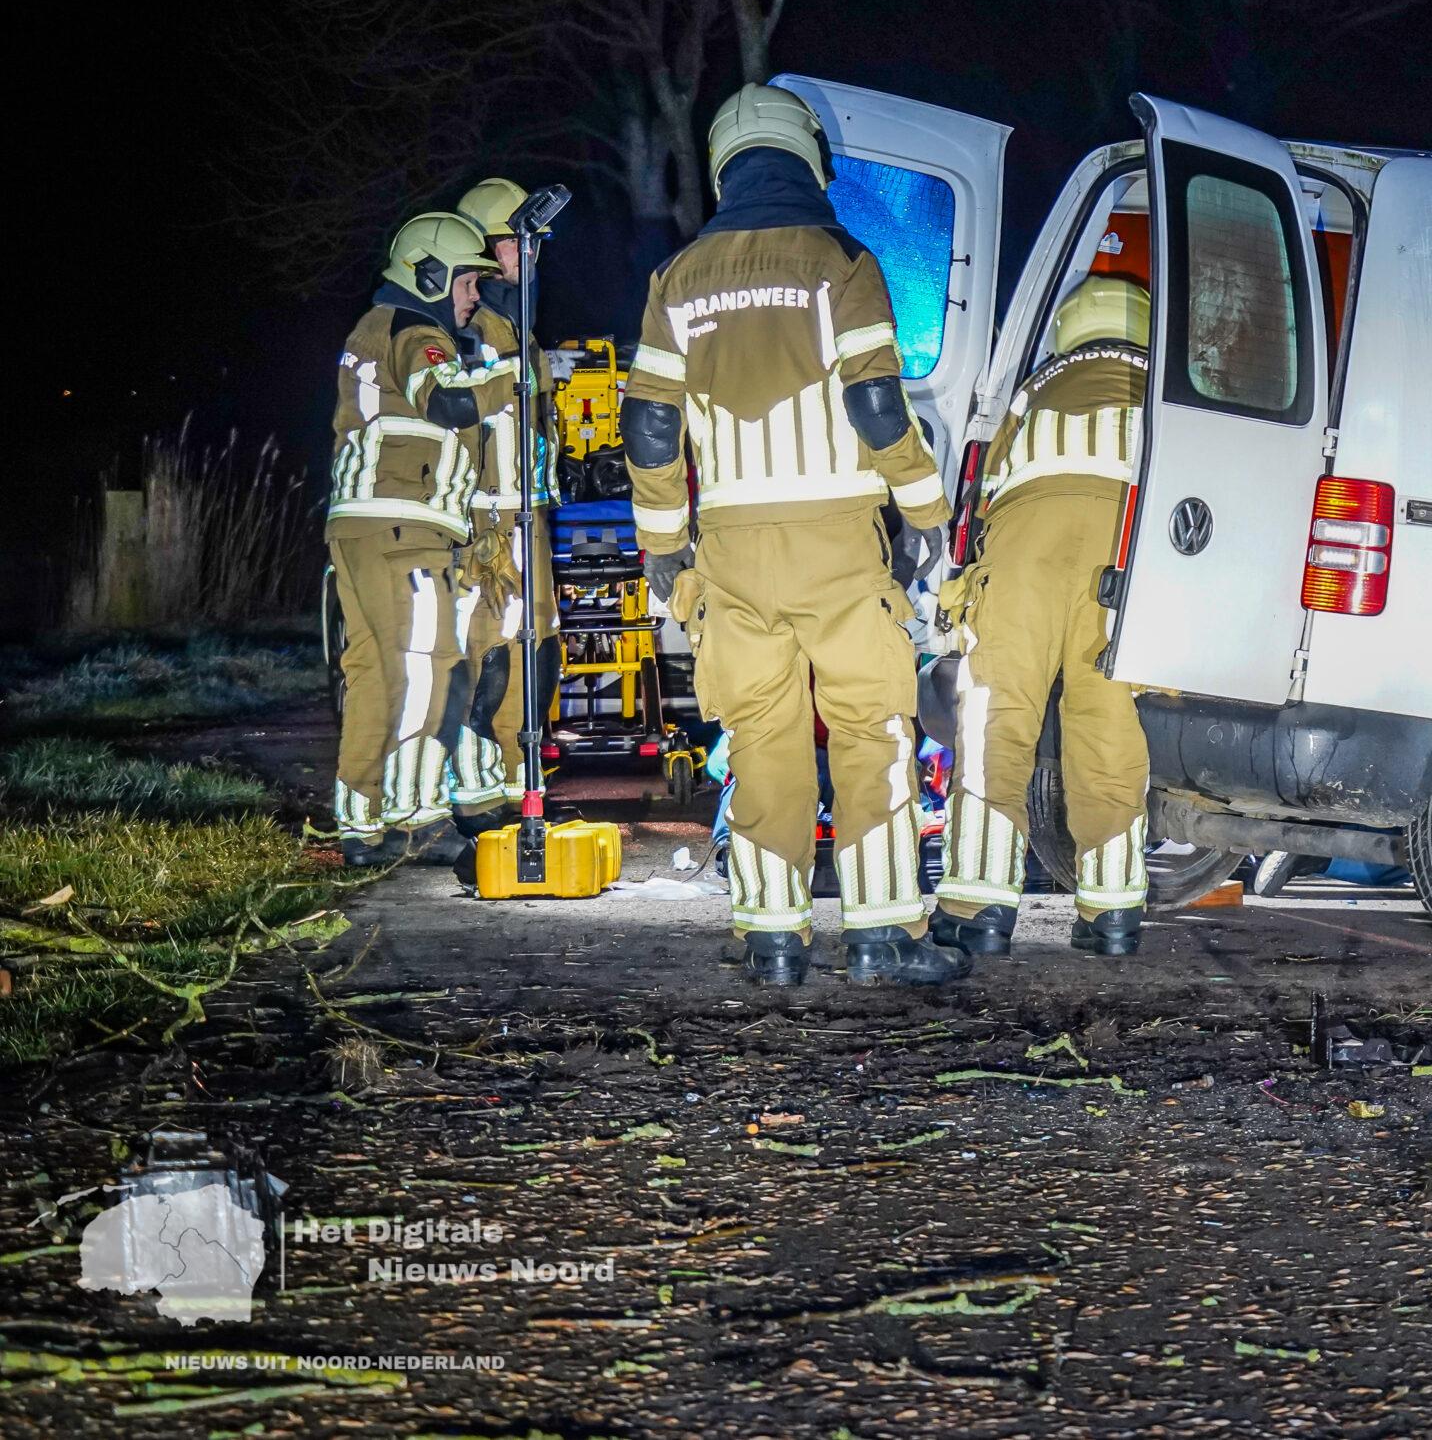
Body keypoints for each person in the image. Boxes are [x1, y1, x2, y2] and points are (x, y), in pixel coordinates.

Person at [623, 83, 966, 987]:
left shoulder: (676, 279)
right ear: (807, 159)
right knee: (870, 729)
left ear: (724, 167)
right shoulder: (841, 261)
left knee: (762, 734)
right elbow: (877, 403)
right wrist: (926, 512)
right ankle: (882, 935)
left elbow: (649, 426)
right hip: (837, 544)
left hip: (730, 549)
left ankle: (772, 940)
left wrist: (663, 545)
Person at [932, 274, 1153, 958]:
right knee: (1107, 724)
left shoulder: (1034, 389)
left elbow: (980, 491)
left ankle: (979, 907)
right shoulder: (1160, 390)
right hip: (1122, 557)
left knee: (998, 716)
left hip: (1026, 552)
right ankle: (1112, 914)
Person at [325, 212, 518, 866]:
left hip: (367, 526)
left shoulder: (377, 327)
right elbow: (451, 403)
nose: (473, 296)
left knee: (374, 672)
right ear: (429, 274)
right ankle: (411, 817)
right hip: (402, 528)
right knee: (425, 666)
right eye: (466, 282)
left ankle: (362, 824)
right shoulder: (415, 330)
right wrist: (517, 373)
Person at [446, 179, 561, 841]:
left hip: (528, 523)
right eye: (522, 243)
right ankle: (474, 801)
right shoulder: (465, 334)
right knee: (483, 661)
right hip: (484, 527)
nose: (533, 255)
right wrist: (464, 527)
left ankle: (521, 794)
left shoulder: (522, 333)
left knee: (535, 657)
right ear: (488, 251)